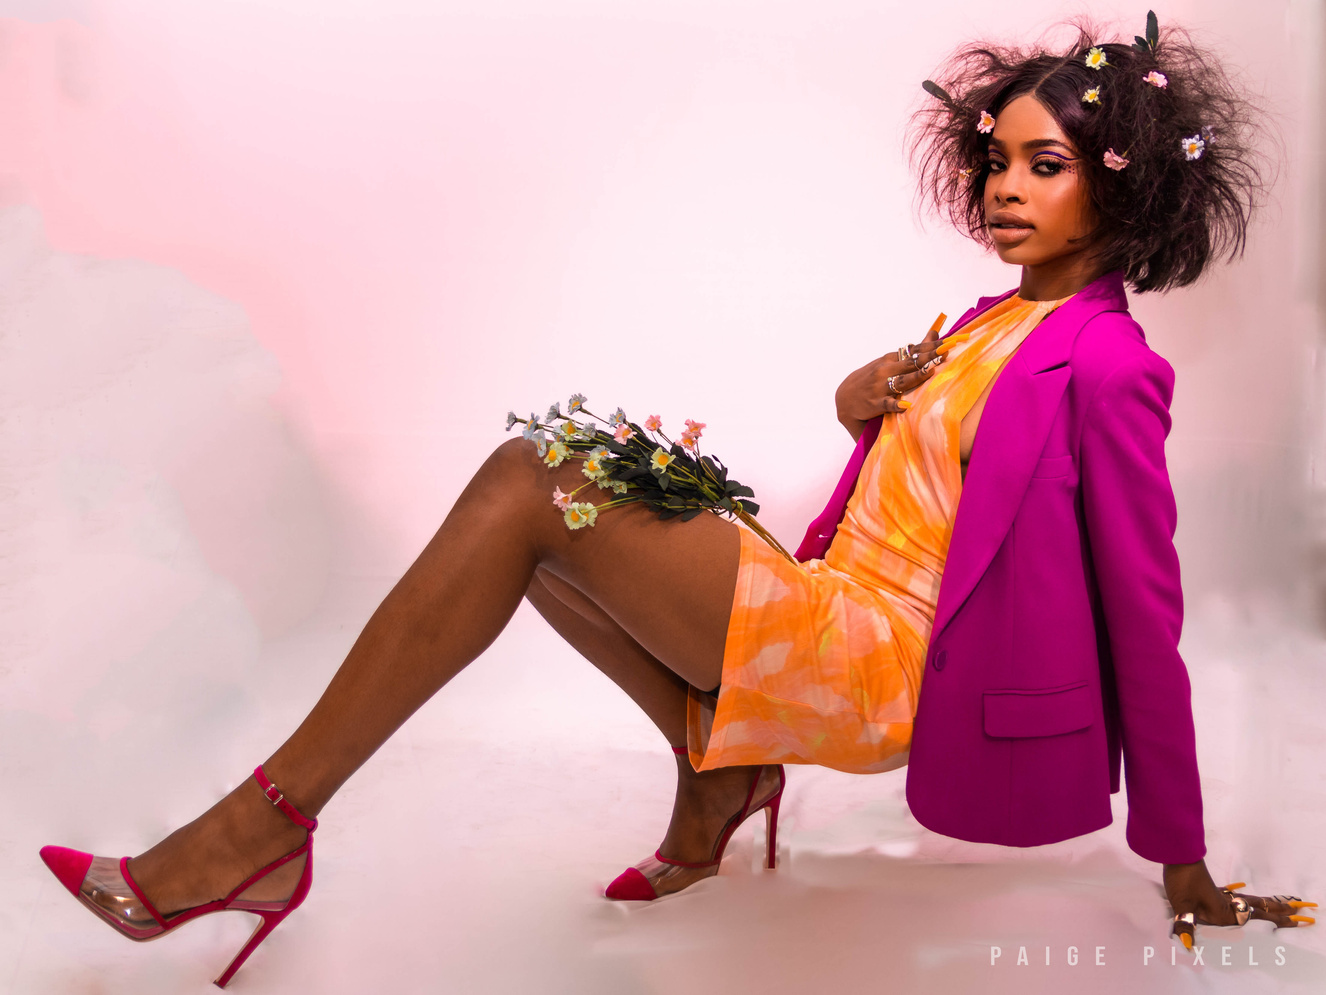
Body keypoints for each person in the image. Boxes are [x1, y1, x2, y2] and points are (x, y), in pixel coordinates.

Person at [38, 14, 1314, 988]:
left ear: (1125, 184)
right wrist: (861, 396)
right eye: (996, 160)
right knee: (559, 497)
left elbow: (1143, 610)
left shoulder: (1108, 364)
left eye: (1046, 164)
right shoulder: (994, 321)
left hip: (898, 666)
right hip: (839, 597)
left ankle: (258, 830)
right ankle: (724, 772)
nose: (1005, 187)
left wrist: (1184, 856)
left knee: (533, 483)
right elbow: (934, 485)